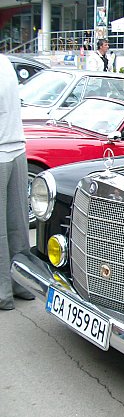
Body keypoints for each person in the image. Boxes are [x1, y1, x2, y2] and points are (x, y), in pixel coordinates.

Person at [0, 54, 35, 310]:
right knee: (18, 225)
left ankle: (3, 292)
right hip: (16, 148)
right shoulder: (5, 63)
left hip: (1, 151)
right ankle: (21, 283)